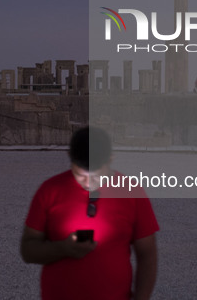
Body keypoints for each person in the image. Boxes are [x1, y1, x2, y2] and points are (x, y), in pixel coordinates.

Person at [20, 126, 159, 300]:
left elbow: (147, 253)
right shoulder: (50, 190)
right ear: (70, 158)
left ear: (110, 160)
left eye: (96, 175)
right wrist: (63, 248)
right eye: (80, 174)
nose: (87, 182)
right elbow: (27, 250)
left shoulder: (131, 191)